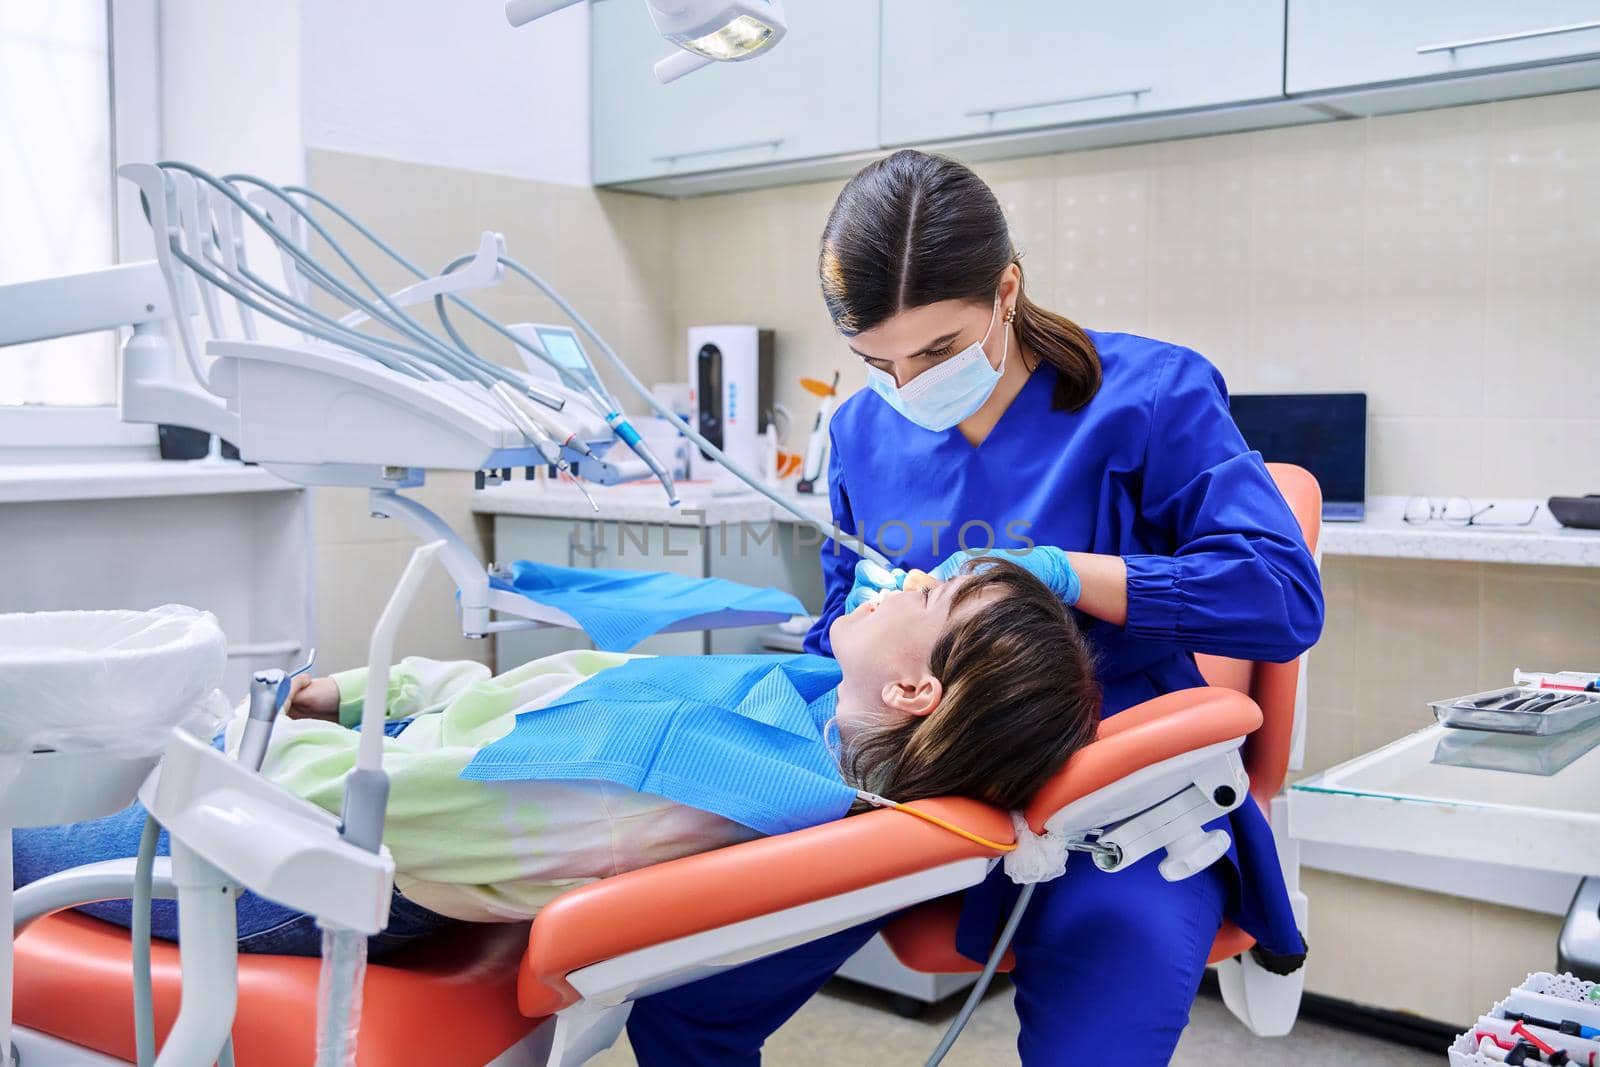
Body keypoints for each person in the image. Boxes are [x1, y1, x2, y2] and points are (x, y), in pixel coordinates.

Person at [622, 149, 1326, 1065]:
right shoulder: (867, 430)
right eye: (877, 359)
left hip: (1116, 786)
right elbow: (839, 614)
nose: (909, 384)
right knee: (684, 1003)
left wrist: (1069, 575)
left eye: (939, 350)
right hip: (914, 784)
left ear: (1006, 291)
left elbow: (1278, 596)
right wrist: (851, 630)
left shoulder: (1151, 396)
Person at [14, 560, 1098, 955]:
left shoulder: (661, 780)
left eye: (932, 593)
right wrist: (354, 696)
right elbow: (523, 696)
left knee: (24, 848)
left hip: (313, 873)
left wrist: (220, 750)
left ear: (915, 690)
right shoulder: (803, 711)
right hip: (375, 791)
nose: (907, 573)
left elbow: (379, 821)